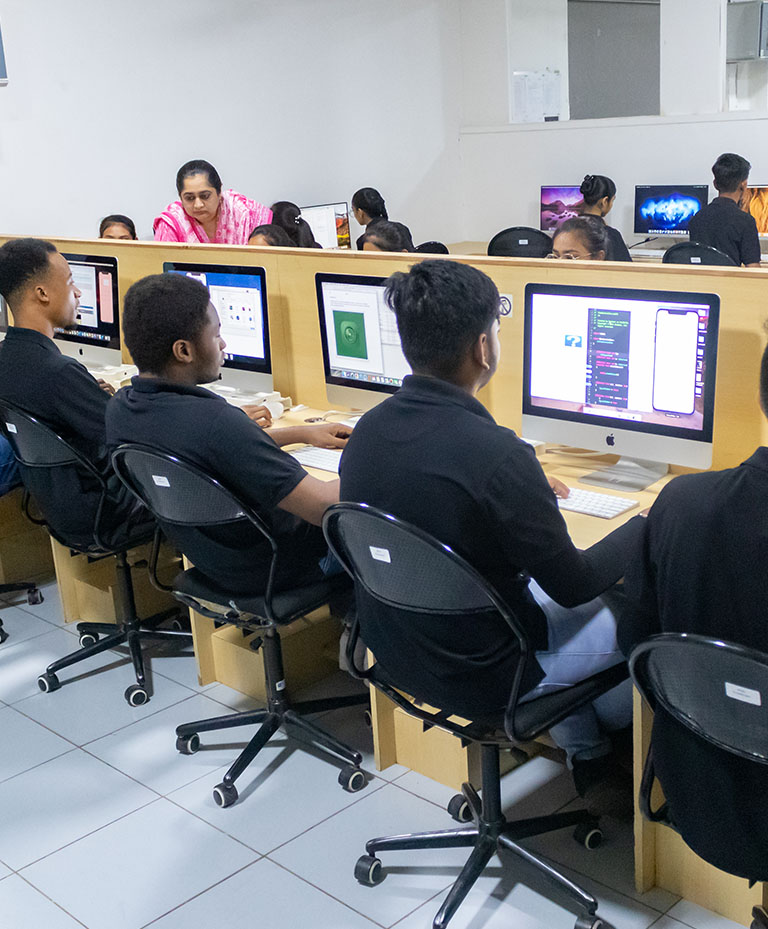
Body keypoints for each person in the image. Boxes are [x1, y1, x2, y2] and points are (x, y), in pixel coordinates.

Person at [339, 259, 644, 809]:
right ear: (483, 347)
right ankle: (619, 765)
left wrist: (520, 487)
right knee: (641, 611)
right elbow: (574, 584)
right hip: (492, 670)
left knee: (534, 590)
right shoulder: (497, 455)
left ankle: (587, 751)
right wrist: (647, 524)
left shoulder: (368, 430)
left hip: (401, 650)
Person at [106, 272, 353, 594]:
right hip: (280, 567)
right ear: (184, 351)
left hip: (209, 559)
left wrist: (300, 434)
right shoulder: (216, 423)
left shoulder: (121, 407)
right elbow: (324, 507)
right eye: (216, 334)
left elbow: (214, 452)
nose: (223, 344)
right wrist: (378, 454)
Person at [0, 238, 147, 549]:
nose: (78, 292)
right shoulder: (59, 373)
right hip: (104, 512)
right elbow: (133, 435)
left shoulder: (6, 357)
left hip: (59, 508)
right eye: (69, 282)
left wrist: (90, 395)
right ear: (42, 293)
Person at [153, 160, 272, 245]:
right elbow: (161, 267)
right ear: (180, 198)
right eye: (189, 198)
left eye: (205, 196)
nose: (198, 205)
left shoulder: (245, 212)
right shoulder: (172, 223)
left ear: (219, 192)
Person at [687, 153, 761, 268]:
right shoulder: (745, 221)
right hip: (730, 279)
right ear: (743, 185)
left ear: (715, 184)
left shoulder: (697, 218)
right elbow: (753, 268)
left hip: (702, 279)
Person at [579, 175, 631, 261]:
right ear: (605, 201)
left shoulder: (565, 230)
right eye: (612, 200)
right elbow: (626, 267)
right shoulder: (611, 235)